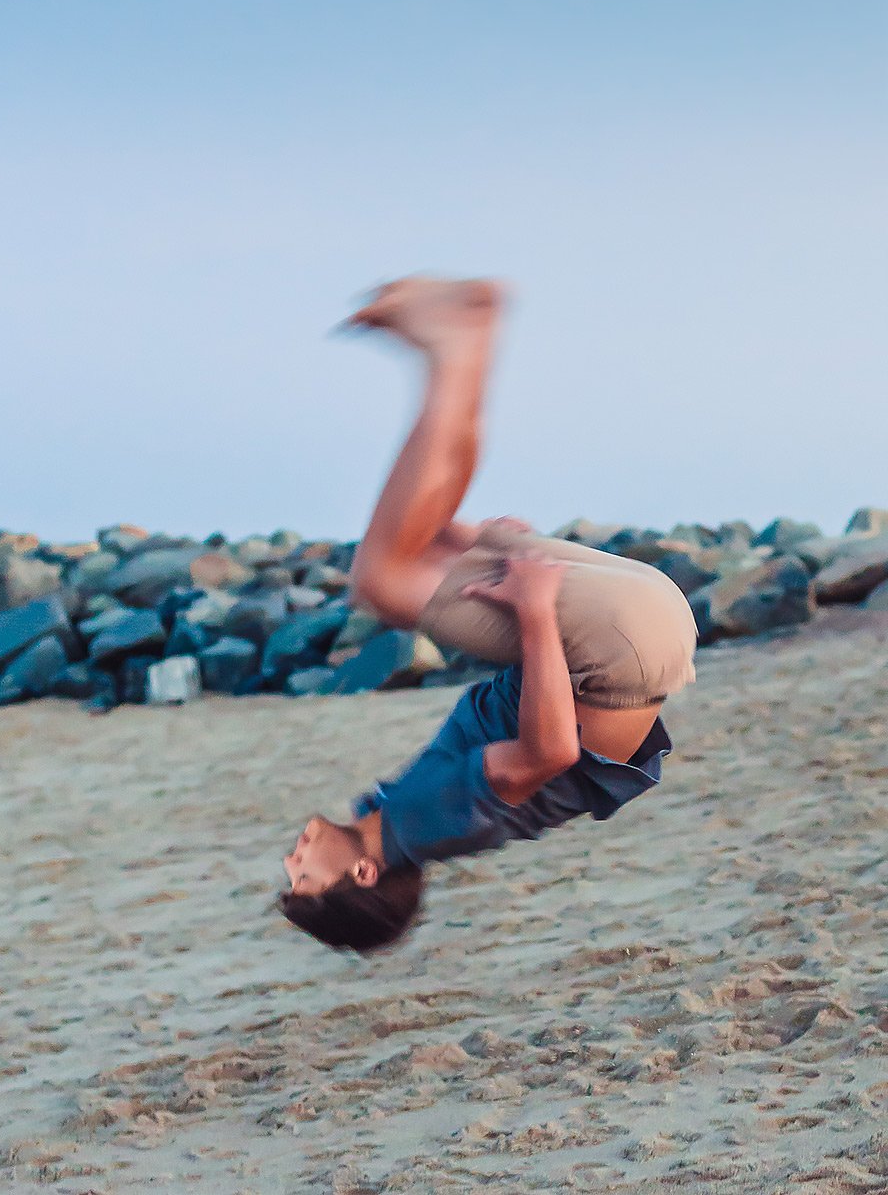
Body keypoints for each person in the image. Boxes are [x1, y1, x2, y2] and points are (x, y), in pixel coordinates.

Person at [278, 277, 696, 954]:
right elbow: (549, 753)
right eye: (303, 880)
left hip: (643, 628)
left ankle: (462, 340)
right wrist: (534, 612)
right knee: (380, 579)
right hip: (616, 654)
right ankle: (455, 346)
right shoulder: (421, 822)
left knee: (430, 534)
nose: (291, 862)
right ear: (361, 872)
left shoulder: (404, 816)